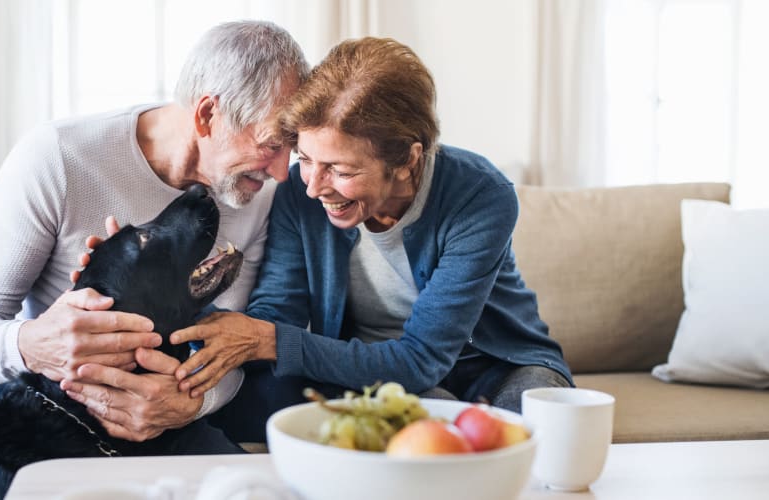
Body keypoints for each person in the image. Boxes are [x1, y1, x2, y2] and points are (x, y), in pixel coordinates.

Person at [167, 37, 573, 439]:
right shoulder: (298, 192)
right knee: (419, 431)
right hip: (370, 373)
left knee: (536, 429)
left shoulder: (480, 195)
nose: (314, 187)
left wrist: (269, 340)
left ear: (407, 160)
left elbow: (421, 359)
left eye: (340, 171)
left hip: (500, 365)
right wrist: (172, 311)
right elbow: (276, 314)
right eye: (306, 159)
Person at [0, 20, 310, 450]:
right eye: (270, 145)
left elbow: (228, 347)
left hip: (172, 417)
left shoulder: (256, 193)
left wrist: (192, 402)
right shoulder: (58, 157)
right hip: (55, 411)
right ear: (207, 114)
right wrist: (35, 343)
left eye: (292, 146)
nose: (283, 172)